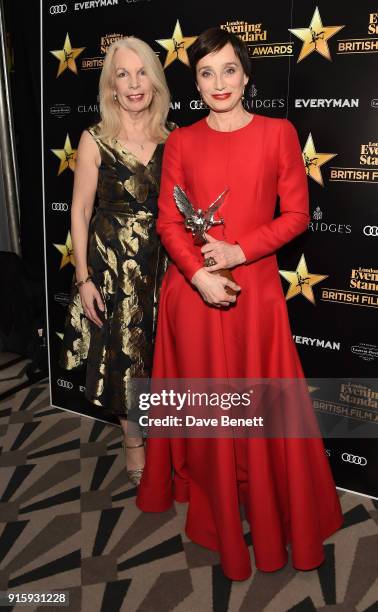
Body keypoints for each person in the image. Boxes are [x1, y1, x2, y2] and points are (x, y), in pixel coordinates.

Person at [136, 27, 343, 580]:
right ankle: (219, 513)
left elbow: (296, 215)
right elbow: (167, 221)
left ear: (247, 75)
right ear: (195, 83)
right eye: (206, 73)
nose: (219, 83)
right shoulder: (181, 141)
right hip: (195, 296)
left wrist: (239, 249)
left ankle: (277, 513)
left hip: (258, 296)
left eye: (229, 69)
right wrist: (201, 271)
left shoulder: (278, 133)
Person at [59, 36, 174, 486]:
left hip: (164, 261)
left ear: (155, 79)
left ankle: (167, 433)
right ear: (110, 85)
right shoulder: (95, 138)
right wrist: (84, 277)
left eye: (141, 71)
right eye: (122, 74)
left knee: (161, 350)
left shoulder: (175, 137)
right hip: (113, 265)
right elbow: (80, 210)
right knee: (126, 353)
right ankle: (133, 441)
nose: (133, 83)